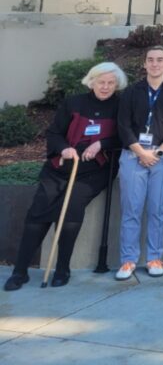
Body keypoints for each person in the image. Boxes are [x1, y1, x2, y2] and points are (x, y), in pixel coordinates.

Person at [5, 63, 127, 291]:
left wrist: (102, 144)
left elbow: (124, 136)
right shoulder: (73, 103)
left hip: (94, 172)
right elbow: (54, 133)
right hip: (61, 166)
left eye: (111, 83)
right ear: (91, 82)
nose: (106, 87)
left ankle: (62, 269)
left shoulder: (121, 106)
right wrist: (64, 149)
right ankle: (20, 271)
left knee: (71, 210)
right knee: (38, 212)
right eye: (101, 82)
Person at [115, 46, 163, 280]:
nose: (154, 64)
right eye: (150, 60)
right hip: (133, 156)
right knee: (131, 210)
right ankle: (128, 261)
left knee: (157, 209)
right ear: (144, 64)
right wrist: (140, 152)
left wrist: (159, 152)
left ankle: (154, 257)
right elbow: (123, 125)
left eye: (159, 60)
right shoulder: (132, 92)